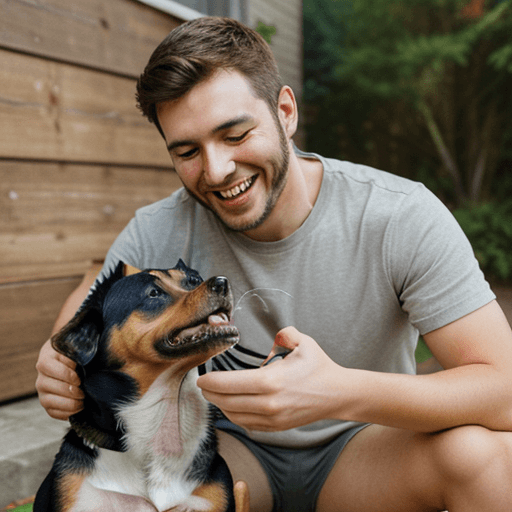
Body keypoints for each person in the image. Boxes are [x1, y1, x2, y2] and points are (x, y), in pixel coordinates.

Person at [36, 16, 512, 512]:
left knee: (489, 458)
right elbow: (93, 296)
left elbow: (504, 389)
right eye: (187, 151)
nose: (216, 170)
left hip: (369, 451)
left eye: (236, 134)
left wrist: (339, 392)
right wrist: (56, 363)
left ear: (285, 111)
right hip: (227, 457)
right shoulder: (160, 226)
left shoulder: (398, 215)